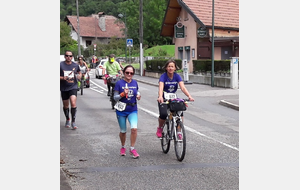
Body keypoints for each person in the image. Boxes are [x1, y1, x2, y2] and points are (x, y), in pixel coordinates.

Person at [156, 59, 195, 138]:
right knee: (163, 114)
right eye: (169, 66)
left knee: (180, 112)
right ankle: (160, 128)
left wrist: (189, 96)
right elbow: (161, 87)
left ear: (175, 68)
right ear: (166, 68)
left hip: (173, 97)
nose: (170, 68)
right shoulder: (163, 76)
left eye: (172, 67)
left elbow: (183, 88)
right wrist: (160, 96)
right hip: (164, 97)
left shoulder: (177, 76)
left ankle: (179, 131)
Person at [113, 65, 141, 158]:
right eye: (127, 73)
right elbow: (115, 97)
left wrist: (138, 95)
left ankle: (132, 149)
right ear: (124, 73)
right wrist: (122, 94)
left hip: (132, 109)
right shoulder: (119, 83)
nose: (129, 74)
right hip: (121, 110)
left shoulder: (135, 83)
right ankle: (123, 146)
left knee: (134, 129)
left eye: (131, 73)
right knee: (123, 131)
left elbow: (137, 92)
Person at [60, 51, 82, 129]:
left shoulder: (75, 65)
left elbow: (79, 72)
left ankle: (73, 122)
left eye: (70, 56)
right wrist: (63, 78)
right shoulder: (60, 65)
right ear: (65, 56)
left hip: (73, 86)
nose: (68, 57)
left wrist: (79, 75)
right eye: (67, 56)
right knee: (66, 106)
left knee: (73, 103)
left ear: (72, 57)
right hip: (64, 87)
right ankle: (67, 119)